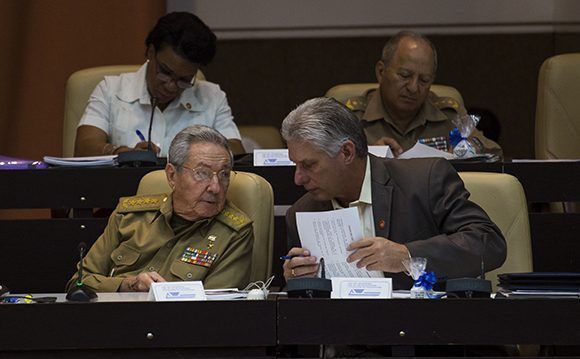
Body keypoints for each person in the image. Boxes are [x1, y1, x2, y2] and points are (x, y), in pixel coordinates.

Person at [281, 97, 506, 289]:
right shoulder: (302, 213)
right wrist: (298, 282)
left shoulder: (425, 180)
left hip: (427, 331)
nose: (298, 178)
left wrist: (407, 256)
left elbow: (488, 242)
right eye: (296, 165)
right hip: (346, 335)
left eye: (309, 165)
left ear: (347, 152)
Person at [66, 125, 253, 292]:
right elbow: (78, 283)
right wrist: (127, 285)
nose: (215, 187)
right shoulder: (129, 216)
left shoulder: (235, 233)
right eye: (202, 173)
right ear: (172, 175)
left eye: (224, 175)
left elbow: (212, 310)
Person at [74, 12, 245, 157]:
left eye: (184, 80)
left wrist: (194, 155)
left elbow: (237, 152)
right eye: (165, 72)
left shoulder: (212, 97)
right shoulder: (110, 90)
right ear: (150, 52)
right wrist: (122, 153)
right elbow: (84, 147)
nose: (171, 86)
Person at [345, 31, 501, 157]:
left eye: (424, 80)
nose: (413, 88)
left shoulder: (447, 114)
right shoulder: (351, 117)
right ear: (381, 72)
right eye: (405, 76)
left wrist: (469, 149)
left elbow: (494, 153)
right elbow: (327, 165)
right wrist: (368, 155)